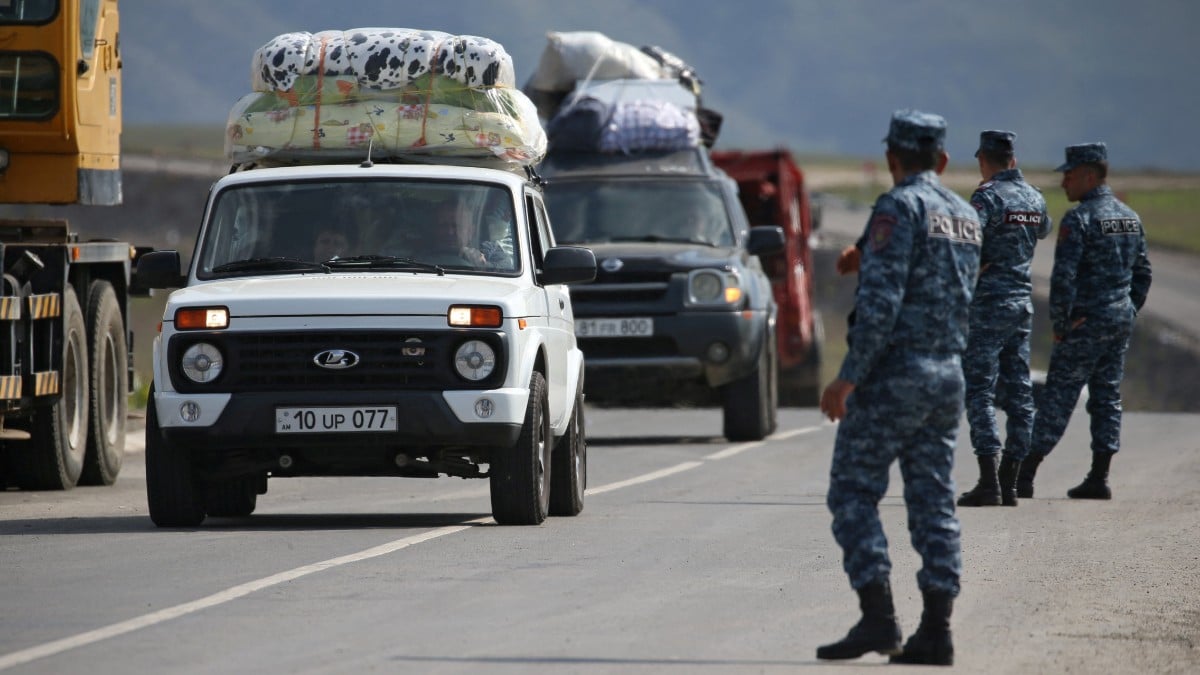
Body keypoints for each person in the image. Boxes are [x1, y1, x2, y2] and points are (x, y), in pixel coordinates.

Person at [816, 109, 980, 666]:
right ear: (943, 160)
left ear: (891, 158)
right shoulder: (964, 215)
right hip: (947, 374)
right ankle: (937, 630)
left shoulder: (897, 206)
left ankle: (879, 618)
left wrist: (847, 378)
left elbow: (882, 307)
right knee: (934, 500)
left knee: (852, 491)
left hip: (895, 376)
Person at [1016, 143, 1151, 500]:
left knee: (1059, 395)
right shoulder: (1130, 217)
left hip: (1085, 322)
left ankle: (1024, 474)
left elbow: (1063, 279)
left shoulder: (1080, 220)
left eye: (1070, 175)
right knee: (1107, 395)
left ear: (1090, 175)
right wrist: (1127, 308)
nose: (1064, 183)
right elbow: (1143, 274)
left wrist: (1061, 325)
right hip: (1117, 321)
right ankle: (1099, 475)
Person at [957, 131, 1052, 508]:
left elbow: (967, 242)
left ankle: (987, 480)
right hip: (1021, 304)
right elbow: (1043, 229)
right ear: (1013, 159)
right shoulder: (1035, 196)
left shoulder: (987, 197)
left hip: (989, 305)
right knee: (1018, 391)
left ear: (983, 160)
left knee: (979, 388)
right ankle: (1009, 480)